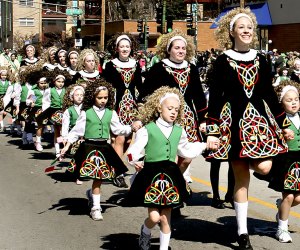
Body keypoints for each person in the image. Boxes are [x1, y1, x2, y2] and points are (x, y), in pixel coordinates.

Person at [205, 7, 294, 249]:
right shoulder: (222, 60)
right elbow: (215, 96)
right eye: (241, 27)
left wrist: (283, 124)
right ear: (232, 31)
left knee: (265, 167)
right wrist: (212, 130)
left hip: (260, 125)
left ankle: (276, 204)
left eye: (250, 27)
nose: (246, 30)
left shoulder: (262, 59)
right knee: (240, 179)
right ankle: (243, 233)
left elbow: (269, 94)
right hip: (232, 123)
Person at [126, 86, 206, 250]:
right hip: (151, 175)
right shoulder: (148, 129)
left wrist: (205, 145)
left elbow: (186, 150)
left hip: (170, 176)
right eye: (169, 108)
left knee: (165, 218)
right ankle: (146, 230)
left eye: (176, 110)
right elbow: (132, 151)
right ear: (159, 108)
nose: (173, 112)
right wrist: (135, 161)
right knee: (155, 217)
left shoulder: (179, 131)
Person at [136, 29, 207, 183]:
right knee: (170, 155)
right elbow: (145, 94)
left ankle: (178, 178)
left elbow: (199, 95)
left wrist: (203, 119)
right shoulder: (159, 68)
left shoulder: (192, 69)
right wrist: (143, 117)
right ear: (168, 50)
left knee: (187, 157)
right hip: (167, 119)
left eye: (183, 48)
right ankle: (168, 183)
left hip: (188, 118)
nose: (181, 51)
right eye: (177, 48)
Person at [60, 79, 132, 220]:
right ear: (92, 97)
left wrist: (132, 127)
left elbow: (118, 129)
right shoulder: (86, 113)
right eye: (100, 98)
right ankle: (94, 202)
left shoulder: (111, 113)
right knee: (95, 177)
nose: (103, 100)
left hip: (104, 148)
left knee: (99, 178)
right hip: (89, 148)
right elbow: (76, 132)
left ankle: (96, 207)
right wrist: (66, 147)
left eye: (105, 98)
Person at [103, 33, 142, 188]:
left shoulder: (135, 64)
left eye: (127, 46)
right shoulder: (110, 65)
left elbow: (139, 84)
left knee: (127, 140)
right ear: (117, 48)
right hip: (116, 106)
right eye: (122, 46)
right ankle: (118, 173)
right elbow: (106, 86)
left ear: (130, 48)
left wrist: (141, 102)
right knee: (118, 138)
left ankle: (114, 164)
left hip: (131, 107)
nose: (125, 49)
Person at [268, 81, 300, 243]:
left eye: (296, 99)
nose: (294, 102)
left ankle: (281, 207)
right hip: (286, 160)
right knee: (288, 196)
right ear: (281, 102)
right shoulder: (279, 120)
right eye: (289, 100)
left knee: (298, 198)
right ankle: (282, 229)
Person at [61, 84, 85, 184]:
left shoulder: (86, 109)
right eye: (77, 95)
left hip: (85, 136)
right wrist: (65, 137)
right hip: (74, 136)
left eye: (81, 95)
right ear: (72, 97)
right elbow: (65, 125)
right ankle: (77, 176)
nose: (79, 97)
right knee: (77, 156)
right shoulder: (69, 111)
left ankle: (75, 172)